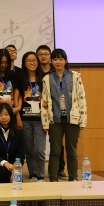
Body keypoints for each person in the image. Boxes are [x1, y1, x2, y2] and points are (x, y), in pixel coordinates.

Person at [42, 48, 87, 182]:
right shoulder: (47, 79)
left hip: (72, 119)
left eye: (61, 59)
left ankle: (73, 178)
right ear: (51, 61)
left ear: (65, 61)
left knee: (71, 151)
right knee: (55, 151)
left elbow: (82, 98)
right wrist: (45, 122)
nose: (58, 62)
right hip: (55, 120)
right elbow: (44, 102)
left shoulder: (75, 76)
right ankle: (53, 178)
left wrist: (83, 120)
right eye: (55, 59)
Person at [37, 44, 66, 179]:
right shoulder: (35, 71)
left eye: (46, 54)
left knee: (57, 142)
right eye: (40, 54)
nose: (43, 56)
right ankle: (38, 171)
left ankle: (60, 168)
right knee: (38, 143)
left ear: (50, 57)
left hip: (54, 111)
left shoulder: (56, 72)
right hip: (36, 110)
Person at [20, 51, 47, 182]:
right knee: (29, 149)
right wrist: (18, 118)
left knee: (40, 150)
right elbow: (17, 99)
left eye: (34, 60)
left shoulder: (44, 78)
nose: (32, 63)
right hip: (25, 119)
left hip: (40, 119)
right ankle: (33, 174)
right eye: (29, 61)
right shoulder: (21, 79)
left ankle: (41, 175)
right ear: (24, 64)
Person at [0, 103, 24, 183]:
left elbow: (21, 154)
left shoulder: (18, 133)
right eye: (0, 115)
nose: (3, 117)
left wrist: (15, 169)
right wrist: (5, 163)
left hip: (13, 165)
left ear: (11, 115)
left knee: (17, 179)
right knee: (3, 172)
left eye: (6, 114)